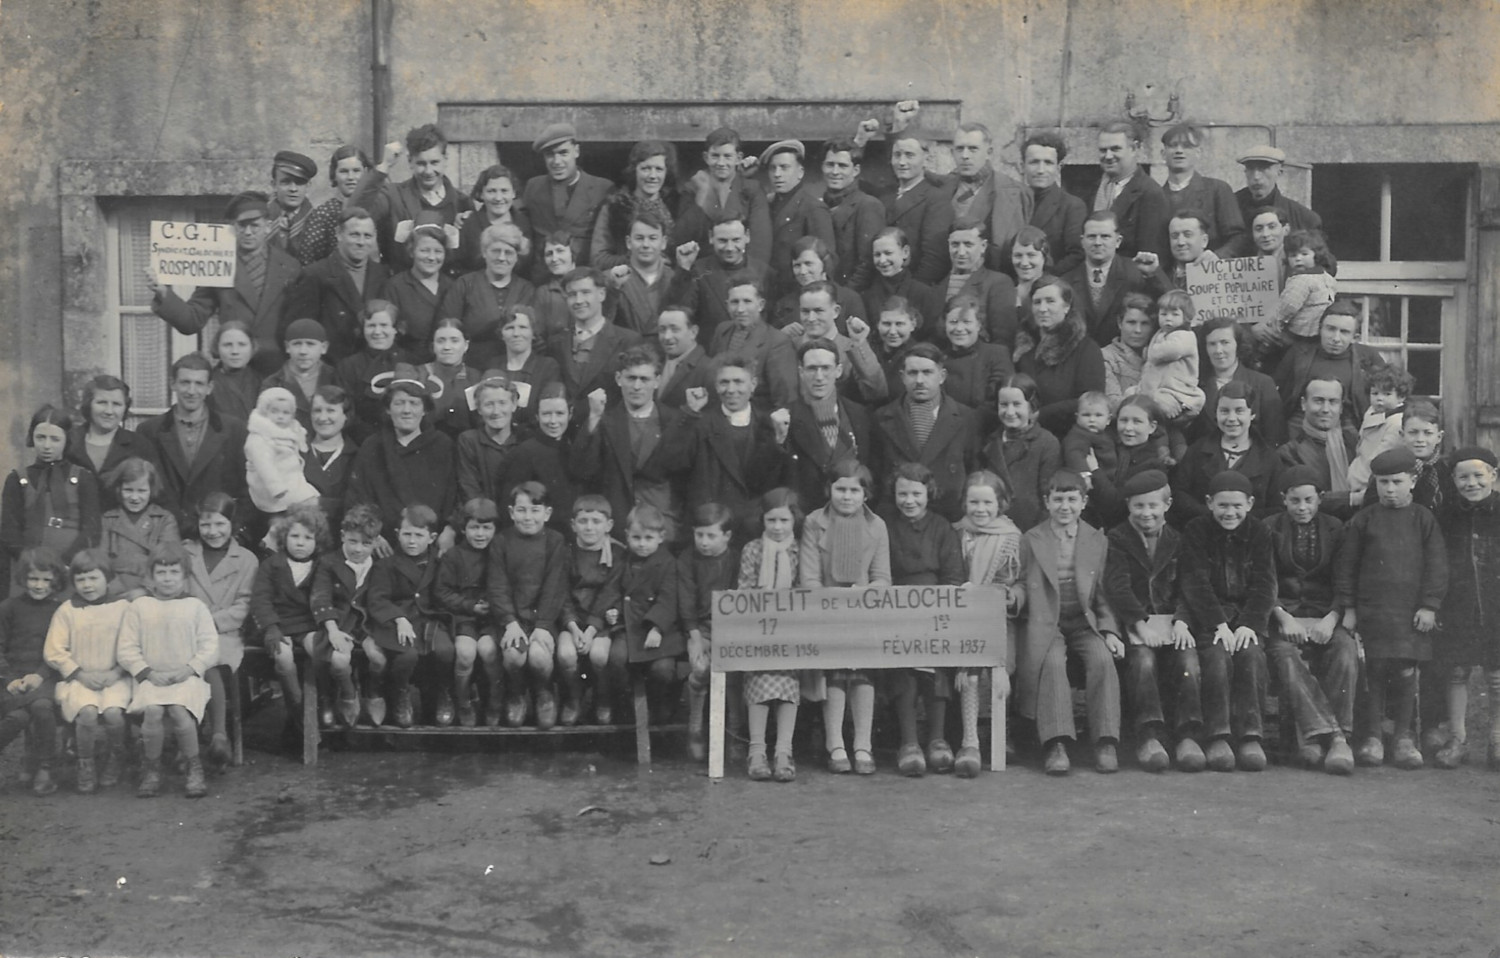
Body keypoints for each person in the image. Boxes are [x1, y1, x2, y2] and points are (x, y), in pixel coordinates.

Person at [1336, 447, 1448, 769]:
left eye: (1397, 482)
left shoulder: (1423, 519)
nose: (1389, 489)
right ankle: (1371, 736)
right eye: (1383, 482)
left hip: (1409, 614)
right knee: (1374, 671)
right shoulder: (1364, 519)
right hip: (1373, 613)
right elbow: (1348, 566)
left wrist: (1429, 606)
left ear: (1412, 481)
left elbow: (1437, 566)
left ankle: (1403, 736)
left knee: (1405, 673)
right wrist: (1350, 608)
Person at [1015, 470, 1124, 775]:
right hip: (1047, 623)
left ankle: (1105, 740)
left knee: (1103, 659)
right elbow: (1023, 581)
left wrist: (1110, 631)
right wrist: (1014, 597)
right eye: (1058, 500)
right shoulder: (1032, 539)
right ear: (1046, 502)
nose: (1065, 507)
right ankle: (1056, 742)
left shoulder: (1096, 539)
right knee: (1051, 664)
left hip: (1084, 622)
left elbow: (1103, 594)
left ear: (1084, 502)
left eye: (1072, 499)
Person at [1102, 471, 1202, 772]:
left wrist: (1183, 621)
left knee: (1189, 662)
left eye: (1153, 506)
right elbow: (1116, 587)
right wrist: (1140, 624)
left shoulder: (1179, 540)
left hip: (1173, 625)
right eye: (1138, 507)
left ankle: (1188, 735)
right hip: (1135, 627)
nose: (1146, 514)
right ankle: (1149, 736)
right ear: (1129, 507)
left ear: (1167, 505)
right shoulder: (1117, 539)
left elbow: (1190, 586)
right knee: (1143, 662)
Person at [1264, 466, 1359, 774]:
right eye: (1294, 501)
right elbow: (1263, 580)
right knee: (1286, 655)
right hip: (1284, 616)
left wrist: (1332, 618)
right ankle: (1334, 737)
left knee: (1344, 653)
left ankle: (1321, 738)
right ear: (1284, 500)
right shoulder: (1268, 528)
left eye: (1308, 500)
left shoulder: (1337, 528)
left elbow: (1344, 580)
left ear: (1320, 499)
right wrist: (1282, 617)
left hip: (1323, 615)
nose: (1302, 507)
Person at [1177, 471, 1274, 773]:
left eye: (1237, 506)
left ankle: (1249, 735)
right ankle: (1218, 735)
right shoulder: (1196, 530)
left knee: (1252, 654)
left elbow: (1264, 584)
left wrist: (1249, 623)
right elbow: (1195, 581)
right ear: (1208, 503)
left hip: (1245, 618)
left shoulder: (1259, 532)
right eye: (1222, 506)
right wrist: (1218, 624)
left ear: (1250, 504)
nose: (1229, 513)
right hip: (1209, 617)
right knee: (1216, 657)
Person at [801, 459, 891, 775]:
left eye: (854, 490)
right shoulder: (814, 522)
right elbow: (809, 578)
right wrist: (831, 599)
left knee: (862, 671)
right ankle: (835, 742)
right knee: (836, 670)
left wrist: (862, 593)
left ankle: (863, 744)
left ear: (865, 494)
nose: (847, 496)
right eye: (840, 489)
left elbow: (882, 577)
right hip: (825, 612)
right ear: (830, 490)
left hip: (862, 611)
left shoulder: (877, 526)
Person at [149, 191, 300, 375]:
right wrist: (164, 294)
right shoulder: (218, 263)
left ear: (268, 227)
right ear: (232, 227)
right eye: (241, 226)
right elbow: (192, 320)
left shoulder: (290, 266)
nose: (248, 232)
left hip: (276, 370)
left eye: (255, 226)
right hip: (233, 371)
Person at [882, 463, 967, 778]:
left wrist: (938, 606)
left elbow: (954, 575)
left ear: (928, 494)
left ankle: (938, 739)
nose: (909, 500)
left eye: (916, 494)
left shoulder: (942, 528)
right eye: (902, 494)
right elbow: (880, 570)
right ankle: (909, 743)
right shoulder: (885, 527)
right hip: (896, 611)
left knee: (935, 665)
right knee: (903, 667)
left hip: (935, 612)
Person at [118, 542, 219, 798]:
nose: (168, 579)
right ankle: (152, 770)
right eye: (161, 573)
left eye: (174, 573)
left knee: (178, 711)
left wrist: (190, 669)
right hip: (152, 678)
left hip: (186, 678)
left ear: (185, 577)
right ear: (151, 577)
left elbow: (210, 647)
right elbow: (126, 649)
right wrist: (147, 672)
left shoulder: (196, 607)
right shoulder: (139, 607)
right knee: (152, 712)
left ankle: (194, 768)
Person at [570, 347, 693, 544]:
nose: (636, 386)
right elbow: (582, 470)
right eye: (631, 378)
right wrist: (593, 418)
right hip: (618, 528)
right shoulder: (604, 419)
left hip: (662, 527)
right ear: (619, 379)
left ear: (657, 381)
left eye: (644, 379)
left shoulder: (672, 420)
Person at [950, 470, 1022, 776]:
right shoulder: (957, 533)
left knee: (998, 668)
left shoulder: (1011, 537)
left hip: (999, 619)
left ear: (1000, 503)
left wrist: (1010, 597)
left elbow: (1021, 581)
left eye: (987, 503)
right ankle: (969, 741)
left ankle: (998, 734)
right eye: (973, 502)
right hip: (960, 618)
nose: (980, 509)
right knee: (971, 673)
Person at [44, 550, 132, 795]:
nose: (87, 585)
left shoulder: (123, 608)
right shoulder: (67, 610)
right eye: (81, 580)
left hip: (115, 677)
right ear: (73, 582)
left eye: (94, 578)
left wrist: (117, 671)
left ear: (107, 578)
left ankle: (116, 757)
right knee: (88, 713)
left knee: (114, 713)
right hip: (80, 679)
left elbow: (134, 644)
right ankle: (86, 763)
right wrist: (79, 674)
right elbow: (54, 650)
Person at [1434, 447, 1500, 769]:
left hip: (1496, 604)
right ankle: (1457, 738)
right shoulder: (1447, 514)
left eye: (1478, 475)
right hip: (1457, 605)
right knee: (1457, 671)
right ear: (1454, 480)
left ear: (1493, 476)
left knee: (1497, 674)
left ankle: (1497, 740)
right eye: (1463, 477)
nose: (1471, 483)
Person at [183, 492, 258, 768]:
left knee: (211, 662)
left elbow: (244, 604)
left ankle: (217, 735)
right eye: (206, 525)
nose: (212, 532)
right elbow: (176, 591)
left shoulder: (246, 559)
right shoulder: (186, 552)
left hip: (223, 633)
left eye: (219, 524)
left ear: (232, 524)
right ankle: (198, 740)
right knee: (185, 664)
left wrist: (212, 622)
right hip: (187, 630)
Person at [488, 483, 570, 728]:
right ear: (512, 512)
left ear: (547, 513)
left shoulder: (555, 541)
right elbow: (497, 586)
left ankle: (543, 692)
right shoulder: (501, 541)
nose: (528, 517)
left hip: (543, 620)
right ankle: (516, 692)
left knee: (537, 656)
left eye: (535, 510)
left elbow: (554, 586)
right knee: (513, 655)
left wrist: (544, 625)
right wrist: (509, 622)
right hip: (511, 620)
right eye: (521, 510)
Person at [679, 357, 792, 533]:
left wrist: (777, 442)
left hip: (753, 526)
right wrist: (689, 413)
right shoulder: (701, 424)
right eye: (724, 382)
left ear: (753, 384)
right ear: (716, 386)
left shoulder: (770, 424)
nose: (731, 390)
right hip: (712, 527)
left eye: (738, 382)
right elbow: (672, 462)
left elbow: (772, 481)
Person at [736, 488, 804, 782]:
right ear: (762, 520)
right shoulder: (752, 550)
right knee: (759, 683)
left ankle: (783, 751)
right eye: (771, 520)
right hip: (759, 631)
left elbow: (805, 592)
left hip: (790, 632)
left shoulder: (800, 550)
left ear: (793, 521)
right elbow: (745, 591)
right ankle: (756, 751)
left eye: (784, 520)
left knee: (788, 685)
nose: (777, 527)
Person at [345, 369, 458, 545]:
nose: (407, 410)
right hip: (383, 544)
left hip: (431, 542)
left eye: (414, 403)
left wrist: (449, 530)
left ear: (424, 410)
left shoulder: (442, 445)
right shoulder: (372, 446)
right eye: (399, 403)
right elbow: (358, 497)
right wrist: (372, 534)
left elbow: (453, 495)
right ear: (388, 409)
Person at [872, 343, 982, 522]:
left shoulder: (965, 417)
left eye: (927, 372)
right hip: (898, 518)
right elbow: (877, 471)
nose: (920, 380)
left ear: (942, 376)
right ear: (902, 377)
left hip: (948, 517)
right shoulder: (883, 418)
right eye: (912, 373)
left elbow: (972, 466)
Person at [138, 353, 248, 532]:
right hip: (165, 535)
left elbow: (246, 489)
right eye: (185, 382)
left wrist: (235, 531)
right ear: (173, 384)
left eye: (199, 384)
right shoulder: (150, 431)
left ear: (209, 388)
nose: (191, 391)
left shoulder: (233, 429)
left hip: (217, 535)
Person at [250, 504, 326, 748]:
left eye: (307, 538)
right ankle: (300, 713)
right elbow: (261, 599)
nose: (300, 543)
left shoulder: (322, 566)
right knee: (282, 657)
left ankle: (324, 705)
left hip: (309, 624)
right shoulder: (272, 565)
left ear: (318, 541)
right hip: (280, 625)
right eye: (295, 536)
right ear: (284, 537)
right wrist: (271, 627)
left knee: (321, 651)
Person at [350, 124, 473, 270]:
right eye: (421, 163)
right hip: (400, 288)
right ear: (410, 161)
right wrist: (383, 166)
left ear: (445, 159)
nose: (428, 171)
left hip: (449, 289)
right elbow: (355, 214)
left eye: (434, 162)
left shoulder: (462, 202)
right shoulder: (393, 196)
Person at [1, 406, 101, 585]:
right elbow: (9, 529)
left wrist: (67, 561)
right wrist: (30, 563)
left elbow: (92, 529)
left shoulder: (83, 478)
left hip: (70, 568)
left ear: (66, 440)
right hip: (28, 571)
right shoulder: (17, 479)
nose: (47, 445)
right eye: (41, 437)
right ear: (32, 436)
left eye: (55, 439)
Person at [365, 504, 444, 728]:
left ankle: (438, 702)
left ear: (431, 538)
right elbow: (377, 599)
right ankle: (399, 695)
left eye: (419, 535)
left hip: (427, 620)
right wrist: (399, 619)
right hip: (395, 623)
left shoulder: (438, 563)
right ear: (398, 535)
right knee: (407, 656)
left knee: (444, 651)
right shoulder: (386, 565)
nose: (411, 541)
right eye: (407, 534)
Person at [284, 207, 392, 364]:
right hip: (332, 368)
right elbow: (299, 329)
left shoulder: (383, 274)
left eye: (367, 236)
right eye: (354, 235)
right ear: (338, 234)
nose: (361, 242)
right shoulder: (315, 274)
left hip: (372, 367)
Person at [308, 503, 380, 730]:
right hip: (338, 623)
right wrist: (333, 631)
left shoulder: (380, 565)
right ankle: (347, 695)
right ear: (342, 536)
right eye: (352, 541)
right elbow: (321, 598)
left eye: (366, 544)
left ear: (376, 542)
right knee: (339, 661)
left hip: (370, 625)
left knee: (379, 657)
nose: (358, 549)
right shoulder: (329, 563)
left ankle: (373, 691)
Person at [678, 502, 741, 761]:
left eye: (711, 536)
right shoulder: (687, 559)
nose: (703, 542)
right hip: (698, 630)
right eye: (699, 534)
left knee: (734, 671)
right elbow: (686, 601)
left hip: (730, 630)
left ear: (726, 536)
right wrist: (694, 636)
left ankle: (736, 732)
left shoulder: (735, 559)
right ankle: (694, 729)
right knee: (701, 669)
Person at [0, 549, 66, 793]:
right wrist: (9, 679)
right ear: (23, 578)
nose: (39, 585)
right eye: (33, 579)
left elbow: (59, 649)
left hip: (46, 674)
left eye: (46, 580)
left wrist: (40, 674)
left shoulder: (60, 610)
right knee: (16, 718)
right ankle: (31, 759)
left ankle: (46, 766)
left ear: (56, 580)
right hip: (12, 678)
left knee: (41, 707)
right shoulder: (8, 608)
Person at [1174, 381, 1285, 523]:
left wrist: (1238, 519)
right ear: (1216, 413)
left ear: (1252, 414)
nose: (1232, 419)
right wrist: (1212, 516)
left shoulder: (1269, 458)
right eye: (1224, 411)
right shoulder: (1197, 451)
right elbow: (1180, 494)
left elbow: (1277, 507)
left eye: (1239, 411)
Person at [782, 339, 872, 513]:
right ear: (801, 372)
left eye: (826, 368)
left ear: (838, 371)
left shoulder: (859, 414)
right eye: (812, 369)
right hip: (808, 514)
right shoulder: (787, 416)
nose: (819, 377)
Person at [1273, 300, 1390, 432]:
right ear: (1320, 329)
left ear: (1355, 337)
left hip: (1349, 427)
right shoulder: (1299, 353)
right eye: (1331, 329)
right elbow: (1276, 393)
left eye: (1344, 332)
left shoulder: (1368, 356)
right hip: (1300, 425)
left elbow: (1388, 394)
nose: (1336, 338)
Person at [615, 504, 685, 725]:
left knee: (663, 670)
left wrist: (656, 627)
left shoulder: (668, 563)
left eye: (648, 537)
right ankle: (626, 704)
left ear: (661, 537)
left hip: (658, 630)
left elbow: (668, 599)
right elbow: (612, 589)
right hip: (628, 626)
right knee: (616, 658)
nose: (642, 544)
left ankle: (662, 701)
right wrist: (613, 610)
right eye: (636, 538)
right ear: (627, 536)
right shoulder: (622, 560)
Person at [545, 267, 643, 421]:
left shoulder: (628, 341)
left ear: (602, 294)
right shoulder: (555, 344)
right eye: (572, 295)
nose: (578, 301)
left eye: (585, 292)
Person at [1059, 210, 1168, 346]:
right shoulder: (1066, 281)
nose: (1098, 242)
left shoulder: (1136, 272)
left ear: (1118, 241)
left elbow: (1172, 305)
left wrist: (1153, 275)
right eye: (1092, 237)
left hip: (1127, 359)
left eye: (1105, 236)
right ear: (1082, 241)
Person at [437, 222, 536, 371]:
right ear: (484, 252)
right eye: (496, 251)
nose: (501, 258)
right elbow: (448, 327)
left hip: (515, 367)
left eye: (508, 252)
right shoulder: (465, 284)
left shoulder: (526, 289)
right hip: (471, 367)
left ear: (517, 257)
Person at [560, 495, 624, 725]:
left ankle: (602, 698)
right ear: (573, 525)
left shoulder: (617, 555)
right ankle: (573, 698)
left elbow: (610, 593)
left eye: (596, 522)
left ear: (608, 526)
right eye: (583, 521)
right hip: (573, 621)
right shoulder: (565, 553)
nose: (589, 527)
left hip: (601, 622)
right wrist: (574, 626)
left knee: (599, 655)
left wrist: (591, 630)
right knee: (566, 654)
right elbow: (562, 593)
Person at [934, 121, 1032, 269]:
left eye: (973, 149)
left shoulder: (1015, 192)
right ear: (952, 152)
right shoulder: (942, 188)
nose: (965, 156)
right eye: (960, 149)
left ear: (989, 152)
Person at [1016, 276, 1106, 434]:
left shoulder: (1086, 349)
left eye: (1050, 301)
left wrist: (1041, 415)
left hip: (1069, 436)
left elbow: (1090, 401)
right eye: (1037, 302)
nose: (1042, 309)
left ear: (1066, 306)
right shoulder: (1024, 350)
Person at [521, 123, 613, 275]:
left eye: (563, 153)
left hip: (586, 276)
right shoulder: (533, 187)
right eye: (550, 154)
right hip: (544, 277)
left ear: (576, 151)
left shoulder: (602, 188)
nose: (557, 162)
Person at [679, 127, 773, 274]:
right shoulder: (692, 189)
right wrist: (702, 198)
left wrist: (752, 277)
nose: (721, 163)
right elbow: (682, 237)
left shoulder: (752, 190)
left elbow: (761, 242)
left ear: (738, 158)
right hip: (705, 274)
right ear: (706, 157)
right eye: (715, 156)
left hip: (743, 273)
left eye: (728, 156)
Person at [1072, 394, 1171, 530]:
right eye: (1123, 420)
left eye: (1137, 421)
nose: (1128, 428)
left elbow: (1116, 506)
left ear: (1152, 427)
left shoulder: (1153, 465)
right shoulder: (1105, 445)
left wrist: (1095, 470)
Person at [668, 215, 766, 347]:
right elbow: (680, 312)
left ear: (747, 237)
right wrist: (684, 269)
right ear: (711, 238)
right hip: (711, 354)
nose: (730, 248)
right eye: (722, 241)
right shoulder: (698, 270)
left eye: (736, 240)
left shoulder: (764, 272)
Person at [780, 282, 885, 404]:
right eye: (805, 311)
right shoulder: (788, 346)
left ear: (836, 311)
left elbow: (877, 391)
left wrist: (859, 344)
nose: (811, 318)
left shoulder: (851, 349)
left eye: (818, 311)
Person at [706, 274, 798, 412]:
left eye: (747, 301)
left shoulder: (777, 342)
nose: (740, 309)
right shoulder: (722, 330)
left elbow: (784, 399)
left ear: (760, 305)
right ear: (727, 305)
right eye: (734, 302)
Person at [761, 139, 837, 301]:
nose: (777, 174)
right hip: (769, 293)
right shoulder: (765, 204)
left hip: (799, 296)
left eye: (784, 167)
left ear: (800, 172)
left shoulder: (812, 208)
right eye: (772, 168)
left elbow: (827, 261)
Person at [591, 140, 682, 273]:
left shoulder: (676, 206)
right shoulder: (615, 207)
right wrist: (636, 261)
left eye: (659, 169)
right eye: (645, 168)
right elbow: (597, 259)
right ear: (634, 171)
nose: (652, 176)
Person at [986, 374, 1061, 532]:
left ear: (1031, 406)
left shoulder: (1046, 443)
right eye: (1004, 405)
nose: (1010, 411)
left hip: (1029, 529)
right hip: (991, 528)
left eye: (1017, 404)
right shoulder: (989, 441)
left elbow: (1048, 499)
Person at [1158, 122, 1245, 258]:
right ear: (1163, 154)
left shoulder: (1217, 190)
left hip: (1210, 273)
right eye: (1173, 145)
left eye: (1187, 146)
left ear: (1198, 153)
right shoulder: (1155, 196)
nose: (1179, 151)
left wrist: (1217, 257)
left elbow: (1238, 237)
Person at [1195, 317, 1286, 446]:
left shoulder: (1263, 383)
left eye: (1225, 342)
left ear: (1238, 345)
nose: (1218, 350)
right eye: (1212, 344)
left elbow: (1275, 436)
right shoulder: (1197, 385)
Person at [879, 128, 953, 284]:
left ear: (926, 159)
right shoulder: (885, 196)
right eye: (897, 155)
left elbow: (935, 258)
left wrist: (911, 291)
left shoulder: (935, 199)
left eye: (909, 155)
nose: (902, 162)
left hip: (914, 288)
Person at [99, 457, 180, 601]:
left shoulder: (164, 519)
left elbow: (168, 560)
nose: (135, 497)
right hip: (114, 592)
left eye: (142, 491)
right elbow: (101, 560)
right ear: (118, 489)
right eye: (128, 490)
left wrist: (145, 589)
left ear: (152, 490)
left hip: (152, 593)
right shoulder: (108, 519)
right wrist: (116, 590)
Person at [1278, 379, 1361, 518]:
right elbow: (1302, 500)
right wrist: (1354, 499)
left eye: (1333, 402)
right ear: (1304, 404)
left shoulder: (1356, 444)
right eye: (1318, 401)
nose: (1325, 409)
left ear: (1341, 407)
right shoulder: (1289, 452)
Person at [66, 375, 158, 498]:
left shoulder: (139, 445)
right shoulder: (69, 441)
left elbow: (156, 493)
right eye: (102, 403)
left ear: (125, 408)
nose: (109, 411)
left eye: (116, 404)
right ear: (89, 404)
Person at [245, 388, 321, 535]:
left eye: (285, 413)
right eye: (275, 411)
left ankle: (282, 530)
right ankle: (275, 534)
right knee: (309, 501)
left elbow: (298, 443)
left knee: (307, 502)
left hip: (288, 478)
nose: (280, 417)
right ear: (264, 412)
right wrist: (276, 488)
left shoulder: (289, 429)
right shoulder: (259, 437)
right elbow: (264, 466)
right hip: (270, 485)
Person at [335, 299, 416, 436]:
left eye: (384, 325)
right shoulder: (348, 366)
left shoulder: (412, 361)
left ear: (395, 328)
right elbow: (346, 411)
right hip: (362, 439)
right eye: (371, 326)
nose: (377, 332)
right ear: (362, 329)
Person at [1094, 118, 1170, 262]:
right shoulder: (1097, 189)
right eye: (1103, 150)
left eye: (1115, 149)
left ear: (1134, 149)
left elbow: (1150, 255)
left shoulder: (1150, 193)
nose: (1108, 156)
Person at [938, 220, 1019, 351]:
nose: (961, 252)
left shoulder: (998, 283)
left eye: (968, 244)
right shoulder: (939, 285)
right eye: (955, 244)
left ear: (983, 246)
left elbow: (1003, 340)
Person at [383, 217, 455, 361]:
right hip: (407, 364)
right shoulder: (396, 286)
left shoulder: (453, 286)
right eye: (424, 250)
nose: (432, 257)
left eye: (438, 251)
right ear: (411, 252)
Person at [819, 137, 885, 290]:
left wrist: (845, 297)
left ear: (855, 170)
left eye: (842, 166)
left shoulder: (868, 205)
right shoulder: (819, 206)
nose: (835, 172)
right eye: (830, 165)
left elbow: (867, 265)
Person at [1233, 145, 1322, 253]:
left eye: (1263, 168)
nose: (1256, 176)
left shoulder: (1303, 218)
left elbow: (1326, 262)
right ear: (1245, 173)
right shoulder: (1229, 207)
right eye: (1251, 169)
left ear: (1279, 173)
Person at [455, 374, 524, 514]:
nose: (496, 411)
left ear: (514, 405)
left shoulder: (525, 440)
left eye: (502, 403)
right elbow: (469, 487)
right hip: (483, 520)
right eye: (488, 404)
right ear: (479, 409)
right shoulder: (469, 441)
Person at [770, 235, 866, 334]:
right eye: (797, 265)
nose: (802, 271)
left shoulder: (849, 299)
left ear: (824, 263)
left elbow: (861, 340)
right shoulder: (784, 305)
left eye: (808, 264)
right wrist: (782, 334)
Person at [1347, 366, 1413, 509]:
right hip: (1359, 472)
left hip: (1371, 481)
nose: (1379, 399)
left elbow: (1381, 456)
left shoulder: (1396, 422)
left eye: (1387, 394)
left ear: (1401, 397)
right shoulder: (1372, 413)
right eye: (1375, 393)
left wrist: (1362, 482)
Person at [1021, 131, 1086, 276]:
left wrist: (1043, 278)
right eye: (1034, 162)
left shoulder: (1072, 206)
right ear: (1022, 166)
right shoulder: (1012, 202)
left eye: (1048, 163)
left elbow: (1077, 255)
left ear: (1058, 168)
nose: (1041, 170)